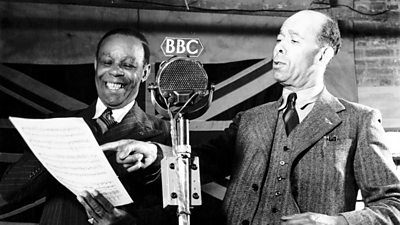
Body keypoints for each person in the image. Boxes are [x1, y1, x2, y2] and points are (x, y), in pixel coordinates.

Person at [104, 10, 400, 224]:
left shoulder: (359, 120)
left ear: (322, 55)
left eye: (294, 41)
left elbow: (393, 205)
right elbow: (202, 164)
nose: (280, 47)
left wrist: (335, 223)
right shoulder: (249, 119)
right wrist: (156, 153)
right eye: (279, 38)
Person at [0, 28, 175, 225]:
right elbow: (10, 191)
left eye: (127, 65)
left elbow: (172, 214)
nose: (115, 71)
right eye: (107, 62)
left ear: (145, 72)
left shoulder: (166, 134)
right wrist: (52, 147)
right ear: (95, 65)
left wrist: (129, 223)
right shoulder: (56, 125)